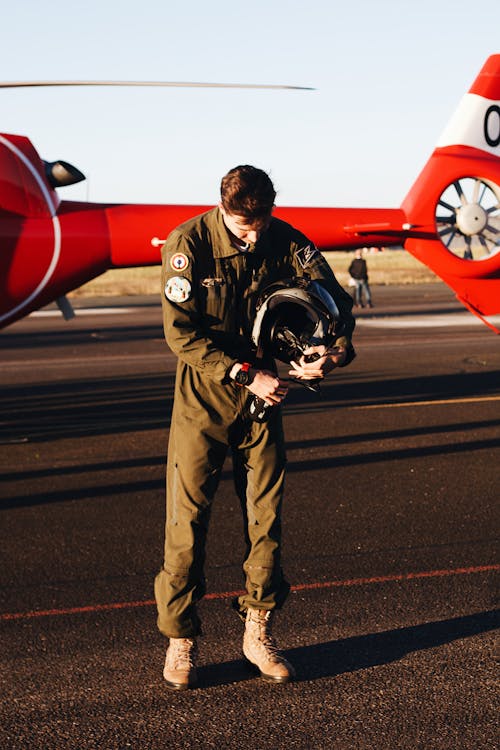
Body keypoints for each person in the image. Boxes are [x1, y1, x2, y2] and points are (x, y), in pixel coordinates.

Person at [154, 165, 356, 690]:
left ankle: (258, 633)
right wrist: (247, 373)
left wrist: (327, 358)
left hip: (265, 405)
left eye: (261, 223)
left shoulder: (284, 239)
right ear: (223, 208)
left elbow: (336, 303)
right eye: (245, 226)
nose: (254, 235)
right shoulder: (187, 245)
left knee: (265, 519)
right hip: (205, 400)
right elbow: (181, 335)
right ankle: (182, 641)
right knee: (188, 524)